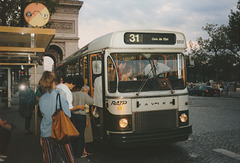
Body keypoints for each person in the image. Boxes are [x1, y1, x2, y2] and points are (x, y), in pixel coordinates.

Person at [38, 71, 75, 163]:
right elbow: (68, 115)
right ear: (54, 83)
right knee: (69, 159)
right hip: (60, 132)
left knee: (48, 159)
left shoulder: (41, 99)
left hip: (46, 133)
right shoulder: (60, 97)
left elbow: (42, 114)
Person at [72, 84, 94, 158]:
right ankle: (80, 152)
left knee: (74, 134)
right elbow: (91, 102)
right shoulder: (83, 95)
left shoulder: (71, 94)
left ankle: (74, 152)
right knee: (81, 134)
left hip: (73, 116)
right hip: (81, 116)